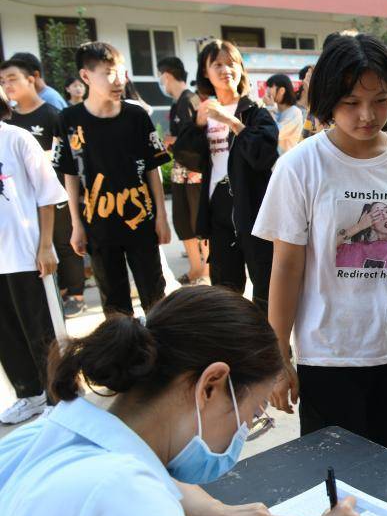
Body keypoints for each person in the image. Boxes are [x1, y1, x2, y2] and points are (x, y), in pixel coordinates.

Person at [0, 285, 366, 516]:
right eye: (253, 414)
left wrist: (205, 512)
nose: (245, 431)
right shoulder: (120, 499)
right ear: (210, 385)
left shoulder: (51, 430)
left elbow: (134, 473)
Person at [255, 34, 387, 458]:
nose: (367, 115)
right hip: (329, 354)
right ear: (328, 100)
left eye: (380, 100)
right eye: (350, 102)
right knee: (336, 484)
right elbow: (286, 267)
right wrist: (279, 356)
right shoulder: (300, 167)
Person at [56, 42, 171, 318]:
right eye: (108, 73)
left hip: (140, 219)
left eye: (121, 72)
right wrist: (76, 224)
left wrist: (161, 217)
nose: (119, 80)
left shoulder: (136, 116)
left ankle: (164, 350)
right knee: (114, 301)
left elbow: (153, 168)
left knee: (154, 294)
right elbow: (70, 175)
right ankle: (125, 356)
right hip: (99, 224)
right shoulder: (69, 119)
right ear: (86, 76)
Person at [171, 40, 279, 312]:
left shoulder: (255, 111)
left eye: (231, 63)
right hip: (218, 206)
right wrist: (197, 125)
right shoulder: (203, 114)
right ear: (205, 72)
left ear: (241, 69)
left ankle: (273, 345)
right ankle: (233, 345)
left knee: (265, 284)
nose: (225, 69)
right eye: (217, 64)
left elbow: (264, 155)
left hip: (253, 206)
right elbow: (186, 157)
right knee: (225, 289)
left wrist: (231, 121)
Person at [1, 57, 86, 316]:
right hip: (21, 207)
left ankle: (77, 293)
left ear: (33, 78)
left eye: (12, 78)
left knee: (62, 243)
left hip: (50, 194)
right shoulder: (13, 120)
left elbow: (68, 155)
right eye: (3, 81)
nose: (7, 84)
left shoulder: (49, 114)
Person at [0, 98, 67, 424]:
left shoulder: (16, 138)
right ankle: (30, 394)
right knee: (6, 335)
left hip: (25, 254)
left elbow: (47, 194)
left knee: (41, 331)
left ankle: (60, 397)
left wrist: (45, 245)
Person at [158, 56, 208, 287]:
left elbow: (200, 136)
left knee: (199, 221)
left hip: (196, 173)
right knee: (182, 221)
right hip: (180, 172)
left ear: (166, 75)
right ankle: (195, 267)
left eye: (161, 77)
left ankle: (206, 267)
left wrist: (174, 141)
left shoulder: (192, 100)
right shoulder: (176, 103)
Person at [264, 73, 303, 155]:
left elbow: (275, 133)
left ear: (282, 91)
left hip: (286, 162)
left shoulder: (295, 112)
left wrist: (270, 108)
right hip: (271, 162)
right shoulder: (274, 111)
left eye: (270, 87)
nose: (267, 90)